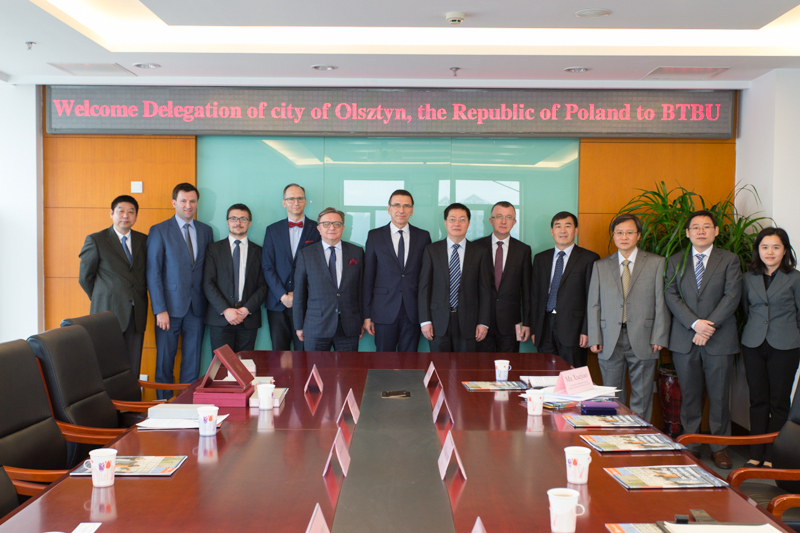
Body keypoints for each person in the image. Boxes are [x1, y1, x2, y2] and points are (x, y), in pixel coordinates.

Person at [665, 210, 742, 469]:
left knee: (719, 397)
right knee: (689, 395)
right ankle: (692, 445)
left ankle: (720, 448)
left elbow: (732, 296)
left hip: (719, 339)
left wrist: (707, 326)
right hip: (685, 338)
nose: (701, 231)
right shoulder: (675, 260)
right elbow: (671, 295)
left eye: (706, 226)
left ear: (716, 231)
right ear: (687, 233)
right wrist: (695, 323)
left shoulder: (729, 260)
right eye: (695, 227)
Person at [587, 214, 670, 421]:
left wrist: (659, 335)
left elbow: (661, 301)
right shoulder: (600, 265)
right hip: (609, 338)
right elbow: (594, 304)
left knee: (642, 396)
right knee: (612, 396)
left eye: (629, 232)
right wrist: (595, 336)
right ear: (613, 235)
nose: (624, 237)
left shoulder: (656, 263)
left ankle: (640, 435)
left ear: (639, 236)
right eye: (619, 232)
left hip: (644, 337)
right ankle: (616, 434)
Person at [146, 183, 213, 399]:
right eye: (183, 201)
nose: (188, 205)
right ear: (174, 202)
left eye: (192, 201)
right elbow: (153, 272)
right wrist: (159, 309)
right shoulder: (159, 230)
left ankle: (187, 405)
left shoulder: (206, 231)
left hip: (197, 308)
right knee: (165, 361)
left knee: (193, 363)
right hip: (168, 309)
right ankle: (164, 405)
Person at [741, 227, 800, 468]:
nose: (770, 252)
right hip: (753, 344)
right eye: (764, 247)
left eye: (776, 247)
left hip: (785, 346)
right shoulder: (748, 278)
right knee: (757, 400)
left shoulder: (795, 278)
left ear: (785, 250)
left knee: (779, 401)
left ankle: (772, 456)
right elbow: (746, 311)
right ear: (758, 250)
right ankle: (755, 453)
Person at [78, 195, 148, 373]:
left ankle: (131, 392)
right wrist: (102, 297)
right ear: (111, 213)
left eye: (131, 212)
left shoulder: (143, 240)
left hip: (136, 313)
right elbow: (85, 277)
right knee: (107, 364)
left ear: (136, 216)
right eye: (121, 211)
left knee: (133, 365)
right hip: (107, 312)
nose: (126, 215)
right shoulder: (96, 240)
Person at [362, 190, 431, 352]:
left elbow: (426, 277)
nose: (401, 210)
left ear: (412, 210)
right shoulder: (375, 236)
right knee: (383, 361)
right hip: (383, 311)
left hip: (413, 311)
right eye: (397, 205)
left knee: (410, 361)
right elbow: (368, 278)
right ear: (389, 209)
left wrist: (426, 316)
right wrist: (367, 315)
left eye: (406, 206)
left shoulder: (423, 236)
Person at [418, 203, 492, 353]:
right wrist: (425, 320)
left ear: (468, 223)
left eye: (462, 219)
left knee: (466, 365)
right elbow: (424, 287)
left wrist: (483, 322)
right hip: (437, 322)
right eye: (452, 219)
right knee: (440, 365)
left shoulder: (480, 252)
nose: (457, 223)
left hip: (470, 322)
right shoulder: (432, 250)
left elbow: (485, 290)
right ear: (445, 222)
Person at [531, 212, 600, 367]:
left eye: (567, 226)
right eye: (558, 226)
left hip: (574, 330)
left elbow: (593, 298)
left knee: (572, 374)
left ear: (576, 231)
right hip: (544, 327)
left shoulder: (589, 259)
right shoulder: (540, 259)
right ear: (552, 231)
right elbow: (535, 296)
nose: (562, 230)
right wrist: (535, 329)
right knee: (545, 373)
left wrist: (587, 330)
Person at [294, 208, 364, 351]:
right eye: (326, 224)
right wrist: (299, 326)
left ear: (343, 228)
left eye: (337, 224)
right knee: (315, 366)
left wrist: (362, 321)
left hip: (348, 327)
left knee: (348, 366)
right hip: (315, 327)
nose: (332, 227)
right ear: (319, 228)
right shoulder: (305, 254)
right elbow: (299, 294)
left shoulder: (357, 252)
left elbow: (362, 290)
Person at [203, 204, 268, 354]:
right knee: (221, 365)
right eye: (233, 218)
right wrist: (225, 310)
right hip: (220, 319)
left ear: (249, 223)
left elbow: (263, 285)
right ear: (227, 222)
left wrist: (246, 309)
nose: (238, 223)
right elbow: (208, 283)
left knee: (244, 365)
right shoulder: (213, 249)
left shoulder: (260, 251)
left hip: (248, 319)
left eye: (243, 219)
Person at [262, 184, 320, 350]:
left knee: (305, 354)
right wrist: (282, 295)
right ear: (284, 203)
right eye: (291, 199)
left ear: (305, 202)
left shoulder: (318, 229)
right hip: (277, 303)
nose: (296, 202)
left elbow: (319, 268)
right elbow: (267, 266)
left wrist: (300, 295)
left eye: (300, 198)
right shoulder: (272, 230)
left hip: (308, 303)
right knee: (279, 355)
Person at [474, 201, 532, 353]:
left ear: (514, 222)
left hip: (510, 323)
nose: (504, 221)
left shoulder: (523, 250)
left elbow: (527, 291)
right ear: (491, 220)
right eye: (499, 216)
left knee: (509, 365)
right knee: (481, 365)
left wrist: (527, 322)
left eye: (508, 217)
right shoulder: (476, 247)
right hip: (480, 322)